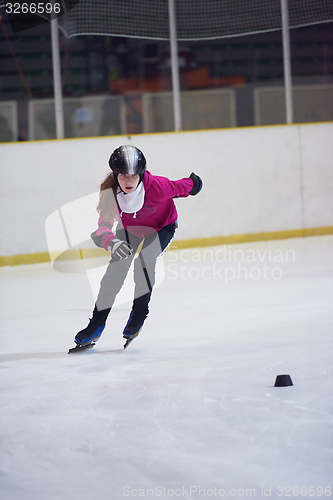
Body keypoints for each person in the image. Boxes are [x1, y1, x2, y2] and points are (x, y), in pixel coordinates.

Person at [73, 145, 202, 350]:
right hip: (130, 229)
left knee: (145, 261)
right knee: (114, 272)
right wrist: (112, 242)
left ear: (141, 174)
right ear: (116, 174)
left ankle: (139, 312)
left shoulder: (158, 187)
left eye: (133, 175)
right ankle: (96, 323)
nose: (129, 180)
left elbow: (181, 187)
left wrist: (194, 184)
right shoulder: (110, 194)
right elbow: (103, 228)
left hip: (162, 227)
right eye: (123, 175)